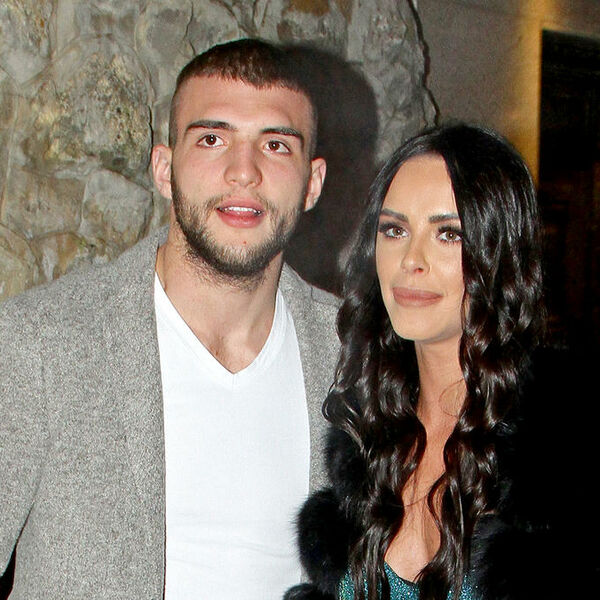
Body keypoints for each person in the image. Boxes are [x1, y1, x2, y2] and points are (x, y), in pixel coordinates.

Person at [0, 39, 340, 600]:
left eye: (276, 145)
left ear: (312, 182)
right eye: (212, 139)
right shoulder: (43, 342)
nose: (244, 172)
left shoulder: (352, 356)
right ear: (164, 168)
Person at [284, 123, 599, 600]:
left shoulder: (565, 459)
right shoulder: (366, 435)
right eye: (394, 230)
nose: (411, 259)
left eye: (448, 234)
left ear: (499, 252)